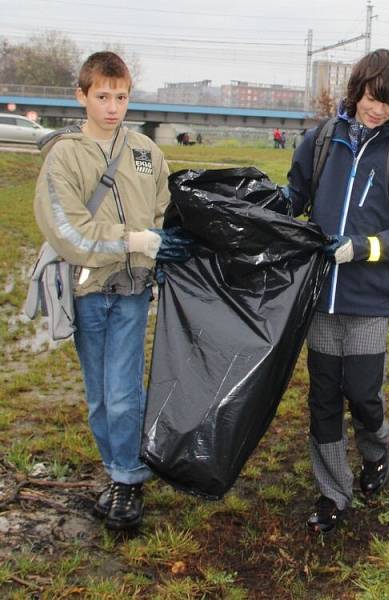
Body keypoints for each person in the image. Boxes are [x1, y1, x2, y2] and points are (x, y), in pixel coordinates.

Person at [286, 48, 389, 533]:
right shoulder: (320, 141)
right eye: (373, 98)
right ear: (357, 91)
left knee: (363, 394)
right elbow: (292, 199)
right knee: (324, 397)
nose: (378, 109)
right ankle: (333, 491)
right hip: (321, 299)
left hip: (370, 300)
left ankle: (377, 450)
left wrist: (363, 247)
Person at [33, 51, 171, 530]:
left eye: (122, 97)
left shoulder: (147, 153)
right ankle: (116, 471)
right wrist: (126, 240)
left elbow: (163, 214)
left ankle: (129, 479)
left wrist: (156, 247)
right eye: (103, 96)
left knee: (123, 391)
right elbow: (66, 230)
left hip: (133, 289)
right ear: (82, 96)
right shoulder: (64, 156)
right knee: (99, 394)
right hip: (89, 292)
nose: (113, 107)